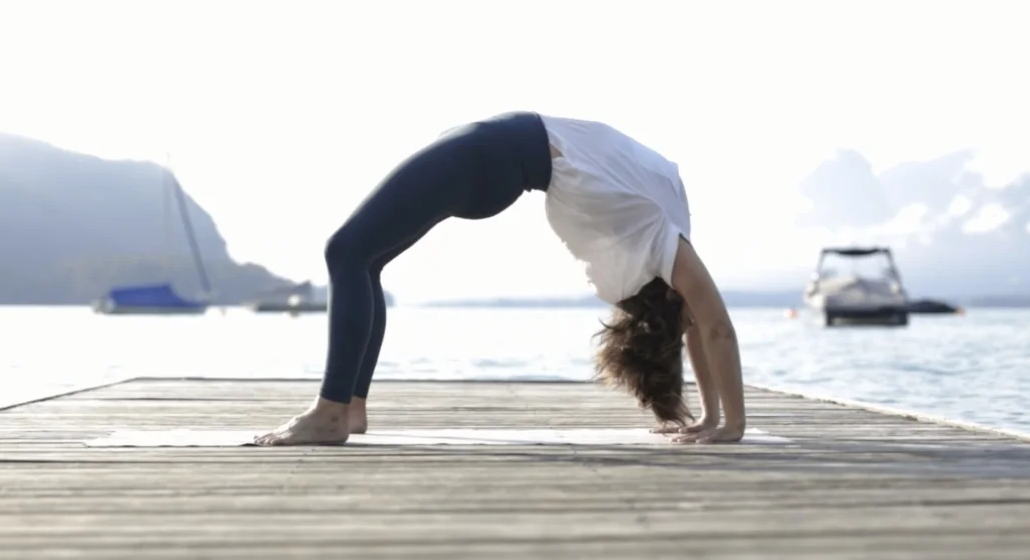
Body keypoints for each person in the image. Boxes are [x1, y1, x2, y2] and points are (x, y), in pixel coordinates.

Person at [254, 111, 746, 446]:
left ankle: (331, 411)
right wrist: (710, 418)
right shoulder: (665, 249)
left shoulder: (664, 241)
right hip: (501, 157)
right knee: (365, 259)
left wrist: (734, 424)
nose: (690, 320)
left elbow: (715, 327)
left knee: (345, 250)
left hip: (493, 153)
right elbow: (700, 327)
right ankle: (351, 408)